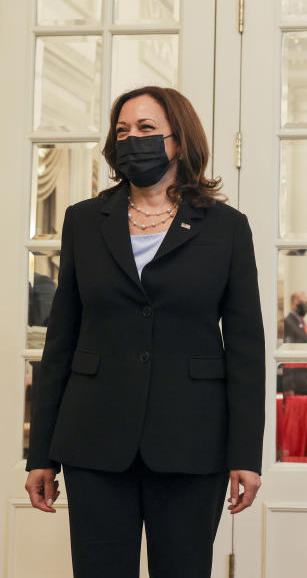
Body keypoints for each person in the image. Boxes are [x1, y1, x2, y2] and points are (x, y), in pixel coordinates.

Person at [24, 86, 266, 578]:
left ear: (179, 140)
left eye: (147, 129)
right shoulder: (84, 221)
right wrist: (41, 453)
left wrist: (245, 453)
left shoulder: (226, 228)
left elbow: (245, 348)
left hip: (192, 443)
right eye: (122, 130)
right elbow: (61, 341)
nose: (132, 138)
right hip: (94, 439)